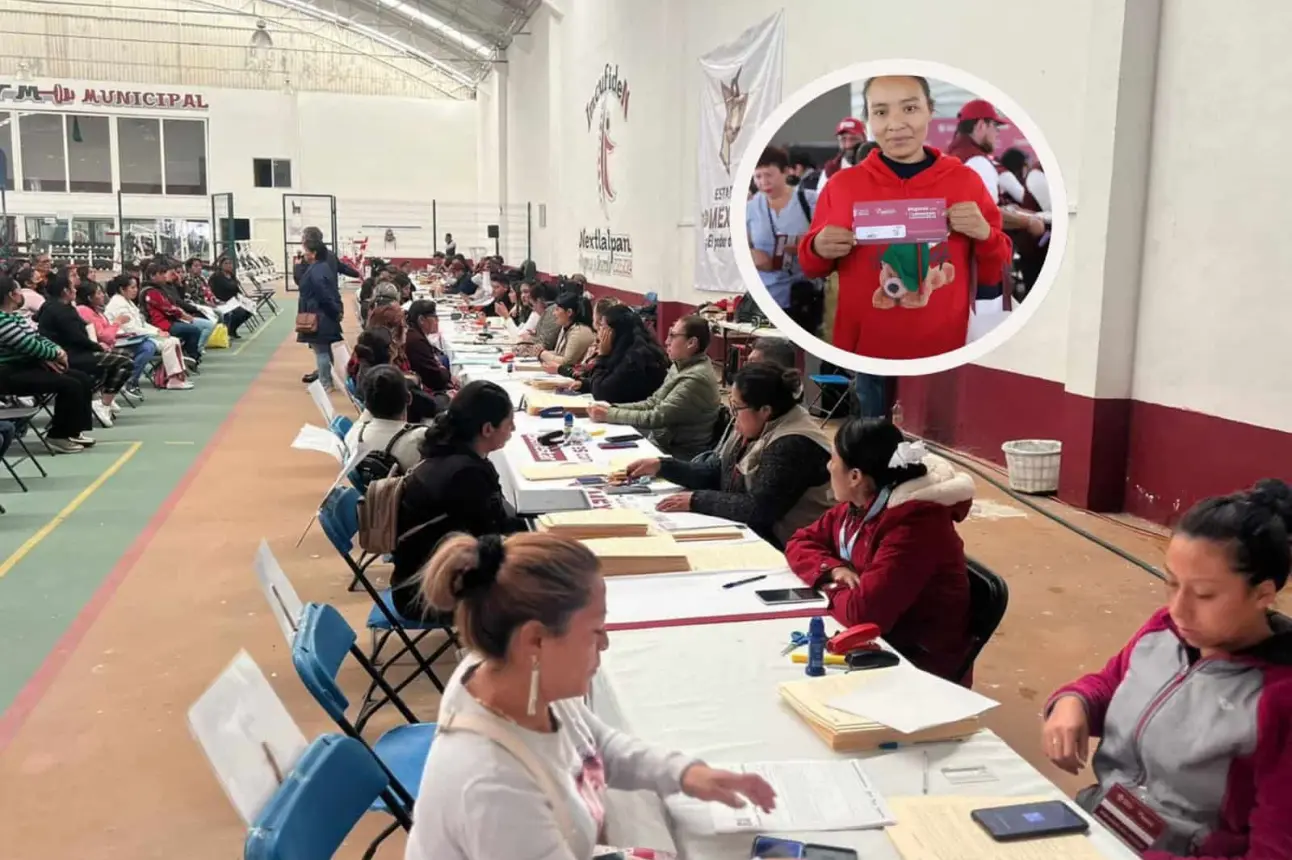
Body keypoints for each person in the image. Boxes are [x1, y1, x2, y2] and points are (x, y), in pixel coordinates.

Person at [406, 530, 777, 860]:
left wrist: (685, 773)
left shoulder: (517, 675)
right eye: (595, 630)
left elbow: (596, 747)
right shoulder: (493, 787)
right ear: (535, 640)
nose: (606, 643)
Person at [1042, 479, 1292, 860]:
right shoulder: (1164, 631)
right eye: (1171, 583)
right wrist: (1073, 702)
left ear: (1264, 595)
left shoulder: (1278, 698)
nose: (1179, 608)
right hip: (1097, 827)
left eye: (1205, 595)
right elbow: (1111, 683)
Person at [799, 75, 1013, 360]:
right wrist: (816, 248)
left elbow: (995, 267)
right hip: (864, 353)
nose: (896, 124)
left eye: (909, 108)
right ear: (869, 120)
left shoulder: (965, 182)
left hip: (944, 350)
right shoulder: (842, 185)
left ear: (930, 111)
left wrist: (985, 234)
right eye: (881, 112)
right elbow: (811, 266)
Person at [785, 419, 975, 682]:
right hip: (878, 642)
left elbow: (864, 615)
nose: (828, 466)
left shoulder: (915, 526)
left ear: (855, 476)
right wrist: (834, 570)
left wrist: (828, 587)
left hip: (917, 666)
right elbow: (799, 541)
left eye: (834, 459)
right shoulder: (861, 503)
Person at [624, 363, 832, 548]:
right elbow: (719, 471)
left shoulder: (793, 443)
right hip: (760, 535)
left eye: (737, 407)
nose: (733, 415)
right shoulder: (757, 424)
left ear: (765, 410)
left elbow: (758, 509)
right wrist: (663, 466)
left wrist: (697, 500)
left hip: (790, 547)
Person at [390, 381, 523, 619]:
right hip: (427, 593)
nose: (513, 429)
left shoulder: (447, 454)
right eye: (508, 422)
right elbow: (492, 545)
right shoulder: (466, 475)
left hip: (420, 577)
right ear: (487, 429)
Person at [588, 315, 720, 461]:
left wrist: (610, 414)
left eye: (673, 336)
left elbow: (657, 417)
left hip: (679, 454)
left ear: (691, 343)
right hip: (661, 440)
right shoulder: (680, 365)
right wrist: (612, 408)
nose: (666, 342)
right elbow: (653, 402)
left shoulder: (696, 378)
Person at [0, 274, 96, 453]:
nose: (22, 294)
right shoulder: (2, 321)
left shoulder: (15, 317)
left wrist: (57, 351)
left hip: (26, 367)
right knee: (70, 385)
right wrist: (56, 353)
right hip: (8, 374)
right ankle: (57, 436)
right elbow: (29, 345)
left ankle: (73, 430)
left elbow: (38, 337)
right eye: (19, 291)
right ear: (11, 295)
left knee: (81, 378)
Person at [36, 271, 134, 427]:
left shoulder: (57, 306)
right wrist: (98, 347)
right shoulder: (59, 310)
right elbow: (76, 337)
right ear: (65, 291)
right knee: (125, 363)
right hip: (69, 355)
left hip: (75, 351)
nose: (76, 290)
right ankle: (104, 403)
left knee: (124, 355)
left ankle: (104, 396)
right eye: (72, 288)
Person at [747, 146, 818, 315]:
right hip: (766, 295)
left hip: (804, 293)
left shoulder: (810, 201)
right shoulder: (749, 209)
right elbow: (739, 246)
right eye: (758, 176)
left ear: (786, 172)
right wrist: (751, 254)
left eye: (769, 175)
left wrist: (807, 246)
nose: (764, 182)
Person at [105, 275, 192, 391]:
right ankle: (134, 379)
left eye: (136, 287)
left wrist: (157, 330)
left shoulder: (128, 302)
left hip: (138, 335)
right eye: (132, 287)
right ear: (122, 289)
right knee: (163, 344)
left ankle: (177, 377)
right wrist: (155, 333)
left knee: (173, 340)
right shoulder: (118, 304)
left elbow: (141, 323)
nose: (136, 290)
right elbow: (131, 329)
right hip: (123, 339)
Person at [569, 304, 668, 403]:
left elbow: (602, 393)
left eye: (603, 327)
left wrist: (602, 356)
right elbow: (614, 380)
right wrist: (586, 384)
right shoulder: (624, 348)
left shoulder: (634, 357)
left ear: (613, 331)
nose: (599, 332)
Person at [76, 280, 158, 396]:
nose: (103, 295)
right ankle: (115, 388)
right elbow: (105, 336)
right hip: (99, 348)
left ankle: (120, 385)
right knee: (140, 351)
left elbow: (109, 331)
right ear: (89, 297)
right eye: (99, 293)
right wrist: (117, 322)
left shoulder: (98, 310)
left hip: (115, 341)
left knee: (148, 345)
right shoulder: (84, 311)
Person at [342, 365, 429, 473]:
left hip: (367, 489)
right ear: (409, 398)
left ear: (366, 405)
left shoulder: (353, 435)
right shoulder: (421, 440)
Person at [296, 237, 345, 392]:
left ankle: (325, 383)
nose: (304, 255)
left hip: (319, 315)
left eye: (307, 252)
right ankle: (327, 380)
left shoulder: (316, 270)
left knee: (321, 351)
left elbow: (322, 294)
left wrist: (334, 310)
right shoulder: (323, 267)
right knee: (324, 349)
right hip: (325, 314)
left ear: (314, 253)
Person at [140, 262, 204, 361]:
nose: (164, 276)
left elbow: (173, 304)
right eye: (161, 274)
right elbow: (168, 309)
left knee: (191, 329)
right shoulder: (151, 292)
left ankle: (186, 355)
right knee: (194, 330)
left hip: (169, 321)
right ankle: (191, 357)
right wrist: (183, 315)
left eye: (165, 273)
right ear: (152, 276)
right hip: (161, 325)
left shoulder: (159, 289)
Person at [404, 299, 454, 399]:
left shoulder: (415, 334)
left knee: (444, 359)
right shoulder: (416, 341)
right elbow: (436, 378)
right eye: (434, 317)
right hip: (426, 392)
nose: (437, 321)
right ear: (422, 320)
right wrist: (446, 373)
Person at [538, 293, 596, 375]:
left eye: (557, 309)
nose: (553, 313)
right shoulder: (565, 327)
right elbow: (558, 354)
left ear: (569, 312)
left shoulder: (580, 331)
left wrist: (541, 353)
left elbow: (566, 363)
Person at [206, 256, 255, 339]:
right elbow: (211, 290)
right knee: (240, 312)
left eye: (230, 263)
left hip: (234, 301)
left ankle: (232, 329)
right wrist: (217, 301)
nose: (229, 265)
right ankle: (228, 331)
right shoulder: (216, 276)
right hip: (222, 301)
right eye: (226, 263)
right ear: (221, 265)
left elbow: (237, 289)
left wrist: (244, 297)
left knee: (249, 310)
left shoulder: (232, 275)